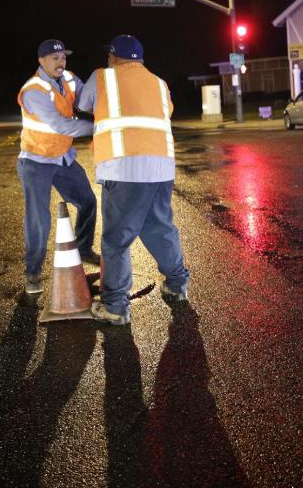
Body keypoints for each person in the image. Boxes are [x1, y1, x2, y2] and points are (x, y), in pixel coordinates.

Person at [78, 34, 191, 326]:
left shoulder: (103, 77)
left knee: (117, 239)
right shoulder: (159, 82)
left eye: (109, 55)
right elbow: (166, 111)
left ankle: (115, 305)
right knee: (160, 227)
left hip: (124, 167)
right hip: (161, 168)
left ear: (114, 57)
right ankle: (177, 285)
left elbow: (84, 103)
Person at [16, 39, 100, 295]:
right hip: (36, 162)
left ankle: (83, 249)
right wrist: (99, 128)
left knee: (87, 201)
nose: (61, 62)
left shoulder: (69, 79)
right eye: (55, 58)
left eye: (63, 57)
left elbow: (88, 99)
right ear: (41, 61)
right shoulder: (34, 90)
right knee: (39, 219)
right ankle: (33, 272)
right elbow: (61, 125)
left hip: (63, 157)